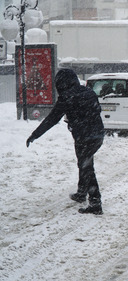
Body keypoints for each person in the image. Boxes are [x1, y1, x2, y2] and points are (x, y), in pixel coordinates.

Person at [26, 68, 105, 215]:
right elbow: (97, 110)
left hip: (84, 136)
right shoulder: (88, 91)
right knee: (85, 163)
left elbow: (52, 119)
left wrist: (35, 134)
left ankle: (95, 203)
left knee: (87, 167)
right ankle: (82, 192)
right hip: (98, 134)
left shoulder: (67, 97)